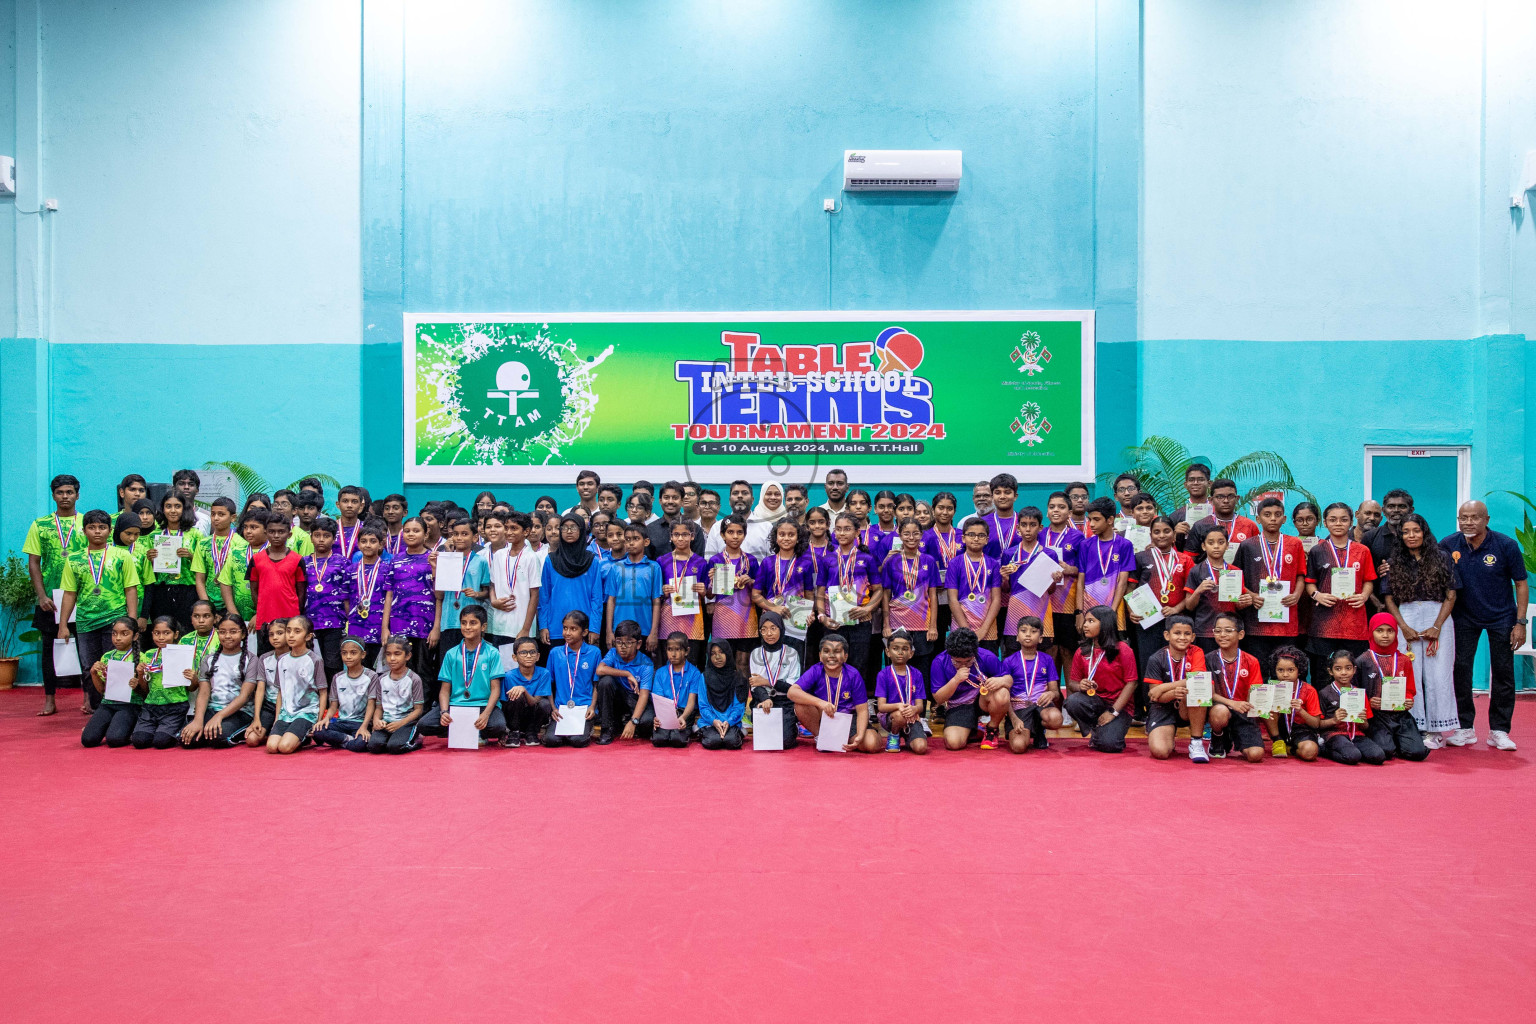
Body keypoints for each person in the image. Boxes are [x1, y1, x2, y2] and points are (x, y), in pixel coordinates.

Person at [1440, 500, 1528, 750]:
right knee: (1461, 670)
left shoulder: (1506, 545)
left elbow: (1521, 584)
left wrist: (1520, 622)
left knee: (1503, 673)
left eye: (1474, 517)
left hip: (1502, 618)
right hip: (1464, 617)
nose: (1468, 522)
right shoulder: (1448, 544)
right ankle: (1465, 728)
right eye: (1463, 518)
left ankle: (1499, 730)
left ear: (1486, 519)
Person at [1380, 513, 1459, 748]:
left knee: (1438, 674)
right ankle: (1415, 726)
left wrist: (1437, 626)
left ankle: (1437, 730)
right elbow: (1389, 598)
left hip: (1439, 617)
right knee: (1409, 674)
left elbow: (1451, 594)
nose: (1411, 536)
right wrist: (1403, 627)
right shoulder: (1394, 562)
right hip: (1407, 617)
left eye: (1416, 531)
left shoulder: (1443, 557)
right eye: (1406, 532)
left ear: (1424, 532)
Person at [57, 510, 141, 716]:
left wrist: (131, 621)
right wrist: (63, 624)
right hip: (86, 621)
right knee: (90, 668)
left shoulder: (122, 556)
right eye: (92, 527)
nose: (97, 532)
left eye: (102, 528)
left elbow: (130, 588)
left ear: (109, 530)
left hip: (115, 620)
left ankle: (120, 709)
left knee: (117, 665)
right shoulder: (74, 560)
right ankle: (97, 709)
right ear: (84, 530)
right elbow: (69, 594)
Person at [24, 474, 86, 716]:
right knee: (49, 649)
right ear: (53, 496)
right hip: (50, 599)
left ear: (77, 495)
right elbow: (33, 563)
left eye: (69, 492)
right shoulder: (40, 525)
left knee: (86, 649)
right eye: (60, 493)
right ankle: (50, 699)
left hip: (81, 597)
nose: (65, 497)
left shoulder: (86, 523)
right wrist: (41, 596)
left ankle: (88, 697)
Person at [1304, 503, 1376, 688]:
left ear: (1351, 522)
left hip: (1354, 624)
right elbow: (1310, 582)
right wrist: (1317, 595)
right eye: (1333, 519)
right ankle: (1323, 715)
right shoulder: (1317, 550)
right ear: (1325, 523)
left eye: (1344, 520)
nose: (1338, 524)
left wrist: (1364, 596)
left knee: (1355, 675)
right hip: (1324, 624)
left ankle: (1353, 715)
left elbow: (1369, 580)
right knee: (1322, 675)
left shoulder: (1362, 551)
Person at [1233, 496, 1308, 673]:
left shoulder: (1295, 544)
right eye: (1267, 514)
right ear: (1258, 519)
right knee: (1260, 670)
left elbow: (1301, 575)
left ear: (1284, 519)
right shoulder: (1247, 545)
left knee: (1286, 670)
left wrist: (1297, 595)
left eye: (1277, 514)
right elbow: (1235, 577)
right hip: (1256, 622)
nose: (1273, 518)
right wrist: (1251, 596)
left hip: (1286, 620)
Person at [420, 605, 507, 745]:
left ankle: (475, 731)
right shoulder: (451, 654)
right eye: (464, 623)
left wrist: (485, 715)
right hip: (456, 705)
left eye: (473, 623)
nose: (467, 627)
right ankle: (461, 731)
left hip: (482, 705)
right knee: (424, 725)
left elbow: (496, 689)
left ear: (483, 626)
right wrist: (443, 712)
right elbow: (444, 690)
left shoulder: (492, 653)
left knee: (498, 726)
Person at [816, 513, 882, 686]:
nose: (842, 533)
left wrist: (867, 609)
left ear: (856, 531)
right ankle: (835, 700)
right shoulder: (827, 559)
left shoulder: (866, 559)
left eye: (847, 529)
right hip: (833, 622)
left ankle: (858, 703)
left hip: (860, 621)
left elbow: (879, 591)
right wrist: (823, 617)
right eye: (838, 529)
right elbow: (820, 592)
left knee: (859, 664)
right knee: (833, 663)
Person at [1353, 613, 1428, 762]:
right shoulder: (1362, 660)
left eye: (1390, 631)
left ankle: (1399, 741)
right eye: (1379, 631)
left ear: (1396, 633)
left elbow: (1410, 688)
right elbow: (1355, 691)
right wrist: (1369, 703)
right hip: (1376, 716)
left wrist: (1408, 699)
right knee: (1385, 751)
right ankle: (1390, 742)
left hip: (1400, 714)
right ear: (1371, 632)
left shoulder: (1404, 660)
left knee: (1418, 753)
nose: (1385, 635)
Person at [1063, 605, 1137, 753]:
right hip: (1094, 702)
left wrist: (1113, 712)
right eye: (1085, 621)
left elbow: (1132, 683)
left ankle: (1105, 732)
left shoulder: (1123, 649)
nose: (1085, 625)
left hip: (1119, 706)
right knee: (1072, 701)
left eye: (1091, 621)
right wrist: (1080, 686)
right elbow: (1072, 684)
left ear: (1105, 624)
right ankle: (1096, 729)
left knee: (1110, 746)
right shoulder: (1082, 650)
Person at [784, 633, 869, 751]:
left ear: (845, 656)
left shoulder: (853, 674)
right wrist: (821, 703)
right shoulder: (816, 670)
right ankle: (822, 737)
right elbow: (792, 692)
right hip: (823, 717)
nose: (832, 656)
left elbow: (863, 710)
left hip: (847, 719)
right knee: (800, 704)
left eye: (837, 651)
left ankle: (842, 740)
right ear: (820, 655)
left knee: (871, 743)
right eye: (826, 651)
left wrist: (859, 735)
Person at [182, 612, 256, 748]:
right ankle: (205, 729)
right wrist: (198, 720)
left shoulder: (251, 660)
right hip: (212, 709)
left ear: (243, 634)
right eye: (222, 632)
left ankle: (241, 731)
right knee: (187, 739)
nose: (227, 636)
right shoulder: (208, 659)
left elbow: (244, 696)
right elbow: (203, 693)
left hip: (240, 711)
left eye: (233, 632)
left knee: (217, 738)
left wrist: (219, 716)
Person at [1142, 614, 1209, 761]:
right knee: (1160, 752)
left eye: (1187, 634)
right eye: (1177, 633)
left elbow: (1198, 678)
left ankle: (1196, 742)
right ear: (1167, 635)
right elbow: (1155, 695)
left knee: (1197, 689)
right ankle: (1168, 734)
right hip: (1163, 706)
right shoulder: (1156, 658)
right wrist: (1172, 692)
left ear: (1193, 637)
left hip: (1187, 706)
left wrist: (1165, 687)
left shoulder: (1196, 652)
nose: (1182, 637)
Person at [879, 517, 941, 677]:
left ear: (921, 535)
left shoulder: (929, 561)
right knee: (897, 667)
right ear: (899, 535)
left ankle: (922, 702)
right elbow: (885, 595)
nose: (911, 537)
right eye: (906, 533)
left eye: (915, 533)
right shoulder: (891, 562)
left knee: (922, 669)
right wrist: (886, 625)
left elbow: (933, 596)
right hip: (897, 623)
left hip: (922, 624)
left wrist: (933, 626)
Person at [381, 517, 440, 682]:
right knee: (401, 669)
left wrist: (436, 627)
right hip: (399, 624)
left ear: (426, 534)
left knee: (424, 669)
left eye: (416, 531)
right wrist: (385, 627)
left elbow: (440, 597)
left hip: (425, 625)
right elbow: (389, 594)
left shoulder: (433, 559)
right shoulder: (395, 560)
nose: (411, 534)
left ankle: (424, 707)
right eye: (407, 531)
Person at [929, 626, 1006, 750]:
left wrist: (1000, 680)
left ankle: (992, 729)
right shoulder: (939, 661)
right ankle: (974, 728)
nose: (963, 665)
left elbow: (1009, 679)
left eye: (968, 661)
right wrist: (955, 680)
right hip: (960, 705)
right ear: (950, 655)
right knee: (953, 743)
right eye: (958, 662)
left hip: (983, 699)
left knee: (1002, 692)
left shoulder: (986, 656)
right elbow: (938, 699)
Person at [1204, 612, 1266, 762]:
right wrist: (1232, 703)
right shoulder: (1207, 659)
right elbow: (1207, 693)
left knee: (1256, 755)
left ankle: (1236, 736)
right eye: (1218, 631)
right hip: (1219, 710)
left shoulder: (1251, 661)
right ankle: (1218, 737)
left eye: (1228, 630)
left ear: (1241, 634)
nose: (1222, 635)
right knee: (1220, 711)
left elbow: (1255, 692)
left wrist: (1262, 707)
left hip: (1243, 712)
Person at [996, 616, 1063, 752]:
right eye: (1023, 630)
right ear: (1017, 637)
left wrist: (1051, 693)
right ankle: (1023, 729)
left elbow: (1055, 692)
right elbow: (1004, 695)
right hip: (1018, 708)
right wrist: (1014, 718)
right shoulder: (1009, 661)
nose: (1028, 634)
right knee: (1018, 747)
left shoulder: (1047, 660)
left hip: (1040, 706)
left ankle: (1039, 731)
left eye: (1033, 631)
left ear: (1040, 638)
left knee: (1056, 719)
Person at [753, 518, 816, 661]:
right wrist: (774, 608)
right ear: (776, 538)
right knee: (770, 660)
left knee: (795, 659)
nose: (786, 538)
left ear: (798, 538)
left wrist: (810, 612)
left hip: (796, 619)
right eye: (782, 534)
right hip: (771, 620)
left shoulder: (806, 563)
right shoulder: (767, 562)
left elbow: (809, 593)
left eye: (791, 534)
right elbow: (755, 595)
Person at [141, 491, 205, 631]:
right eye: (168, 506)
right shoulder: (154, 536)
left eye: (177, 506)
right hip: (161, 591)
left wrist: (190, 556)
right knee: (163, 631)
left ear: (184, 509)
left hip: (188, 590)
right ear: (163, 509)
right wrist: (150, 559)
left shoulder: (195, 535)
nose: (173, 510)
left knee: (186, 631)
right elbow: (147, 571)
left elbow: (205, 565)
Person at [538, 515, 604, 651]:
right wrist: (543, 625)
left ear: (581, 531)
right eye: (565, 527)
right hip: (555, 627)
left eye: (573, 527)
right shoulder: (551, 560)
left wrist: (594, 628)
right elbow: (544, 597)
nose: (568, 531)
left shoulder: (592, 561)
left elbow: (596, 598)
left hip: (583, 628)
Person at [247, 510, 306, 654]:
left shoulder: (297, 560)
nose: (276, 535)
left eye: (281, 531)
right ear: (266, 533)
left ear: (289, 534)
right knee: (266, 658)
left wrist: (295, 617)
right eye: (272, 531)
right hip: (265, 620)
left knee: (290, 657)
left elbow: (301, 592)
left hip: (290, 620)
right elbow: (254, 590)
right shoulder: (257, 559)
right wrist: (261, 610)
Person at [302, 516, 352, 684]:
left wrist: (348, 619)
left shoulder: (342, 562)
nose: (321, 539)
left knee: (332, 663)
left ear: (334, 538)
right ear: (311, 537)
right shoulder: (304, 562)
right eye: (317, 535)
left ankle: (333, 700)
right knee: (311, 664)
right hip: (309, 622)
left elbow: (347, 594)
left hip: (334, 622)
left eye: (326, 535)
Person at [267, 616, 327, 754]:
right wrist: (277, 719)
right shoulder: (282, 660)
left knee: (285, 747)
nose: (291, 635)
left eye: (297, 631)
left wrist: (318, 721)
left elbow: (323, 692)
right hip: (285, 714)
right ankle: (297, 736)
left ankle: (304, 737)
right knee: (271, 747)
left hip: (306, 714)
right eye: (288, 631)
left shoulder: (314, 660)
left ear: (308, 636)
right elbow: (281, 692)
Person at [707, 514, 759, 673]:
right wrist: (711, 582)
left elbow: (759, 589)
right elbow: (709, 595)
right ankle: (727, 698)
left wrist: (751, 581)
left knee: (743, 663)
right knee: (724, 663)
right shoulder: (715, 560)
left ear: (745, 534)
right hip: (723, 619)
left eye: (739, 532)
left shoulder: (752, 561)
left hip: (746, 618)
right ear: (722, 535)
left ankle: (743, 698)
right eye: (730, 532)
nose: (735, 536)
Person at [1315, 649, 1386, 765]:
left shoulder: (1359, 693)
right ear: (1330, 671)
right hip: (1334, 735)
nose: (1344, 672)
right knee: (1353, 756)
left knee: (1378, 756)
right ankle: (1325, 750)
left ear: (1354, 670)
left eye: (1348, 668)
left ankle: (1351, 749)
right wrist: (1334, 720)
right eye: (1338, 669)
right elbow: (1318, 724)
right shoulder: (1325, 693)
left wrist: (1363, 721)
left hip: (1357, 735)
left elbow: (1366, 726)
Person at [1073, 498, 1134, 632]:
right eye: (1090, 520)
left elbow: (1122, 582)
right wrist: (1079, 612)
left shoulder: (1125, 545)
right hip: (1089, 608)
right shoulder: (1085, 545)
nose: (1092, 524)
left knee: (1114, 647)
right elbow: (1080, 582)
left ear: (1110, 520)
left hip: (1114, 607)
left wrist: (1112, 611)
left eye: (1096, 519)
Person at [79, 617, 142, 748]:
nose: (118, 638)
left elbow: (146, 691)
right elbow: (102, 690)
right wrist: (94, 674)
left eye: (124, 634)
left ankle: (130, 728)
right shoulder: (107, 656)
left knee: (114, 740)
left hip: (130, 705)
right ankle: (111, 725)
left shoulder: (142, 657)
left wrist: (138, 683)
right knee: (88, 740)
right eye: (114, 633)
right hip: (108, 704)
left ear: (135, 636)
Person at [130, 616, 189, 750]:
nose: (161, 637)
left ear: (176, 634)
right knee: (139, 741)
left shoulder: (183, 654)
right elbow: (145, 690)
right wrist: (140, 675)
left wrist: (193, 678)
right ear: (152, 634)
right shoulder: (148, 655)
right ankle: (158, 728)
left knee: (161, 742)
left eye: (166, 633)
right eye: (157, 633)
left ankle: (178, 727)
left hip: (175, 705)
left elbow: (192, 687)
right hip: (151, 706)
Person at [485, 510, 541, 650]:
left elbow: (534, 595)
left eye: (514, 528)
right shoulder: (499, 555)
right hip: (499, 624)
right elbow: (492, 584)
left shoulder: (531, 558)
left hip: (521, 626)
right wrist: (493, 601)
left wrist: (526, 629)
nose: (509, 532)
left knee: (518, 667)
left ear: (526, 531)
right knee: (502, 668)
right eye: (507, 527)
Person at [867, 629, 930, 754]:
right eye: (895, 648)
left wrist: (914, 710)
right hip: (891, 717)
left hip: (912, 717)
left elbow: (920, 706)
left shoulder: (916, 674)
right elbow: (881, 706)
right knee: (899, 715)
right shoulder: (883, 675)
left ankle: (908, 737)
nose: (900, 652)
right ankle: (894, 735)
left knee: (921, 748)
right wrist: (898, 706)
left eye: (905, 649)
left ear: (911, 653)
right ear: (888, 652)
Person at [543, 610, 600, 747]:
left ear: (584, 632)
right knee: (551, 741)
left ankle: (586, 728)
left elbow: (596, 682)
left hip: (584, 709)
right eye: (565, 628)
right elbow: (548, 684)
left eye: (573, 629)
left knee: (578, 741)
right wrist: (553, 708)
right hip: (561, 709)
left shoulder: (594, 652)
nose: (567, 633)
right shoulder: (555, 653)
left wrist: (592, 707)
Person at [595, 619, 657, 743]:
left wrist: (634, 722)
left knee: (647, 723)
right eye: (619, 642)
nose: (622, 647)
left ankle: (629, 722)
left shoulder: (646, 664)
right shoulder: (613, 653)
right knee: (605, 682)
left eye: (628, 643)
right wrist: (626, 673)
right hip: (618, 697)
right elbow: (600, 670)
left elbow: (644, 696)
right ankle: (607, 729)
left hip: (636, 698)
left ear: (638, 644)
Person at [602, 524, 662, 651]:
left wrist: (653, 632)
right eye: (628, 539)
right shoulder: (616, 568)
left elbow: (656, 600)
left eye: (636, 539)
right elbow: (611, 600)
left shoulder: (654, 567)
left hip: (644, 630)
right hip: (619, 629)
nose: (631, 543)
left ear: (646, 542)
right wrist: (609, 632)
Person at [945, 519, 1002, 652]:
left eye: (981, 535)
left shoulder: (993, 564)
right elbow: (952, 599)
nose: (976, 538)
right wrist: (966, 630)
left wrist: (983, 629)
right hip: (961, 628)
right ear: (963, 538)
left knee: (987, 668)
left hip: (988, 629)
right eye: (971, 535)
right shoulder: (955, 563)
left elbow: (996, 599)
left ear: (987, 540)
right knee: (961, 664)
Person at [656, 519, 707, 666]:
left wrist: (703, 591)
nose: (680, 538)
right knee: (668, 662)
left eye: (685, 534)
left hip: (693, 620)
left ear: (692, 536)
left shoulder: (701, 562)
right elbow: (656, 593)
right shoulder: (661, 561)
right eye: (676, 534)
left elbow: (708, 594)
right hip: (668, 617)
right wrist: (663, 591)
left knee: (691, 662)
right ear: (670, 537)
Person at [362, 638, 426, 753]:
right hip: (386, 722)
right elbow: (379, 707)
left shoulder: (414, 679)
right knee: (374, 746)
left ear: (407, 656)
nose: (392, 658)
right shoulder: (381, 679)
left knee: (394, 747)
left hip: (406, 722)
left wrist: (400, 724)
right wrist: (377, 720)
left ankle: (417, 738)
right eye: (388, 654)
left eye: (397, 654)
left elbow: (418, 710)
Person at [749, 612, 801, 748]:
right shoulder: (755, 654)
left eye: (773, 628)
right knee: (766, 741)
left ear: (781, 629)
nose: (769, 633)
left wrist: (767, 682)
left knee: (785, 742)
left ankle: (793, 726)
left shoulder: (791, 653)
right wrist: (765, 699)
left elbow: (791, 686)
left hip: (785, 701)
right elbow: (755, 685)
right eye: (764, 629)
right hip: (764, 701)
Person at [312, 638, 375, 750]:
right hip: (341, 722)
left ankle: (342, 741)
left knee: (361, 743)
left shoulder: (371, 676)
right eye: (344, 653)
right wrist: (325, 719)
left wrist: (364, 727)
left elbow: (371, 704)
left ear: (363, 654)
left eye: (353, 653)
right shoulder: (337, 677)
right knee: (317, 731)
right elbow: (333, 705)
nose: (348, 657)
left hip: (360, 723)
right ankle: (348, 740)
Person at [1271, 645, 1325, 762]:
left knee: (1310, 751)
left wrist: (1300, 710)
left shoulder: (1309, 690)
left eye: (1290, 670)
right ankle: (1277, 741)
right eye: (1280, 670)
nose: (1285, 674)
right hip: (1279, 729)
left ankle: (1291, 750)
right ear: (1275, 670)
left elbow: (1316, 724)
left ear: (1299, 670)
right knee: (1266, 706)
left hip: (1301, 730)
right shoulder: (1271, 688)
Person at [650, 633, 704, 747]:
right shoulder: (660, 673)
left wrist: (683, 717)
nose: (673, 654)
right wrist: (658, 716)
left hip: (684, 712)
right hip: (666, 712)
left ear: (686, 651)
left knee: (678, 740)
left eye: (678, 649)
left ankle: (685, 730)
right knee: (659, 740)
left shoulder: (694, 673)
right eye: (670, 649)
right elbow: (659, 700)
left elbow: (691, 701)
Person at [499, 637, 553, 747]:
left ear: (538, 656)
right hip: (514, 716)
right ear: (514, 657)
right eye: (523, 652)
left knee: (544, 704)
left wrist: (523, 690)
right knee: (516, 697)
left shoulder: (544, 673)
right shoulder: (509, 676)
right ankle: (514, 732)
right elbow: (504, 704)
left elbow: (535, 701)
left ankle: (531, 732)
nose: (528, 656)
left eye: (532, 652)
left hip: (533, 716)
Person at [245, 619, 290, 747]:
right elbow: (260, 689)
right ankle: (269, 730)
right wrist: (256, 718)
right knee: (252, 740)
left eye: (280, 633)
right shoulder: (264, 658)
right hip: (269, 706)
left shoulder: (296, 658)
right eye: (271, 634)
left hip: (290, 708)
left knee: (280, 744)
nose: (275, 638)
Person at [922, 491, 962, 637]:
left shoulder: (962, 535)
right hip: (934, 597)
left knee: (958, 637)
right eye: (940, 508)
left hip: (960, 596)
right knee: (936, 641)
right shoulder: (924, 536)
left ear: (954, 511)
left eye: (949, 508)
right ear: (933, 510)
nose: (945, 512)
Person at [698, 639, 747, 750]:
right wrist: (714, 721)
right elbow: (703, 706)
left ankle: (736, 732)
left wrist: (728, 722)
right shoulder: (704, 677)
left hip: (731, 721)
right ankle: (703, 731)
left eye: (721, 652)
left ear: (728, 653)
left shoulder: (738, 677)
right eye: (713, 654)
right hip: (710, 721)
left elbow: (738, 707)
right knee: (712, 742)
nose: (718, 657)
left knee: (732, 742)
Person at [646, 480, 705, 557]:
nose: (670, 501)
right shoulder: (650, 529)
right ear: (660, 501)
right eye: (666, 497)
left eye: (675, 498)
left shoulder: (695, 529)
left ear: (682, 501)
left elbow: (699, 562)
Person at [172, 468, 211, 533]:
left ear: (197, 490)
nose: (186, 487)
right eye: (181, 483)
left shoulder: (207, 516)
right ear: (173, 489)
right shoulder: (168, 514)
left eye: (191, 484)